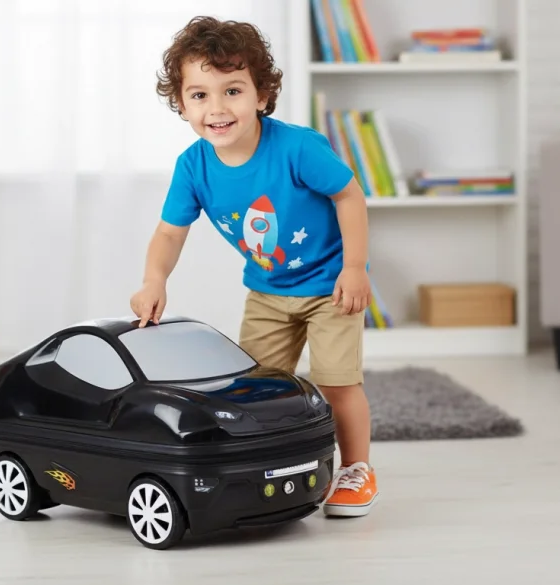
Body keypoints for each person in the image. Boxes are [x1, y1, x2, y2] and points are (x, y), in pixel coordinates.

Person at [129, 15, 377, 517]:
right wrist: (154, 280)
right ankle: (274, 462)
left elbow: (349, 195)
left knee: (335, 381)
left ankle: (356, 468)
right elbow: (170, 233)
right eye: (200, 95)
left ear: (262, 95)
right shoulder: (193, 166)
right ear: (182, 105)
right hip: (267, 293)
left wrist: (355, 267)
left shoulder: (298, 148)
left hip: (330, 287)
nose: (217, 108)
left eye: (233, 91)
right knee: (256, 389)